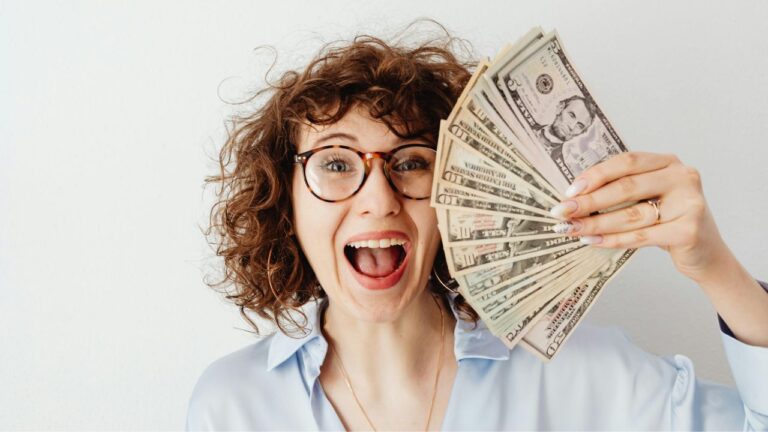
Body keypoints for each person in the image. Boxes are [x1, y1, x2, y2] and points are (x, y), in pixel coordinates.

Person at [186, 24, 768, 431]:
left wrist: (714, 266)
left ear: (457, 195)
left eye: (411, 162)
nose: (378, 200)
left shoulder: (578, 374)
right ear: (286, 204)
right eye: (336, 164)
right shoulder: (231, 404)